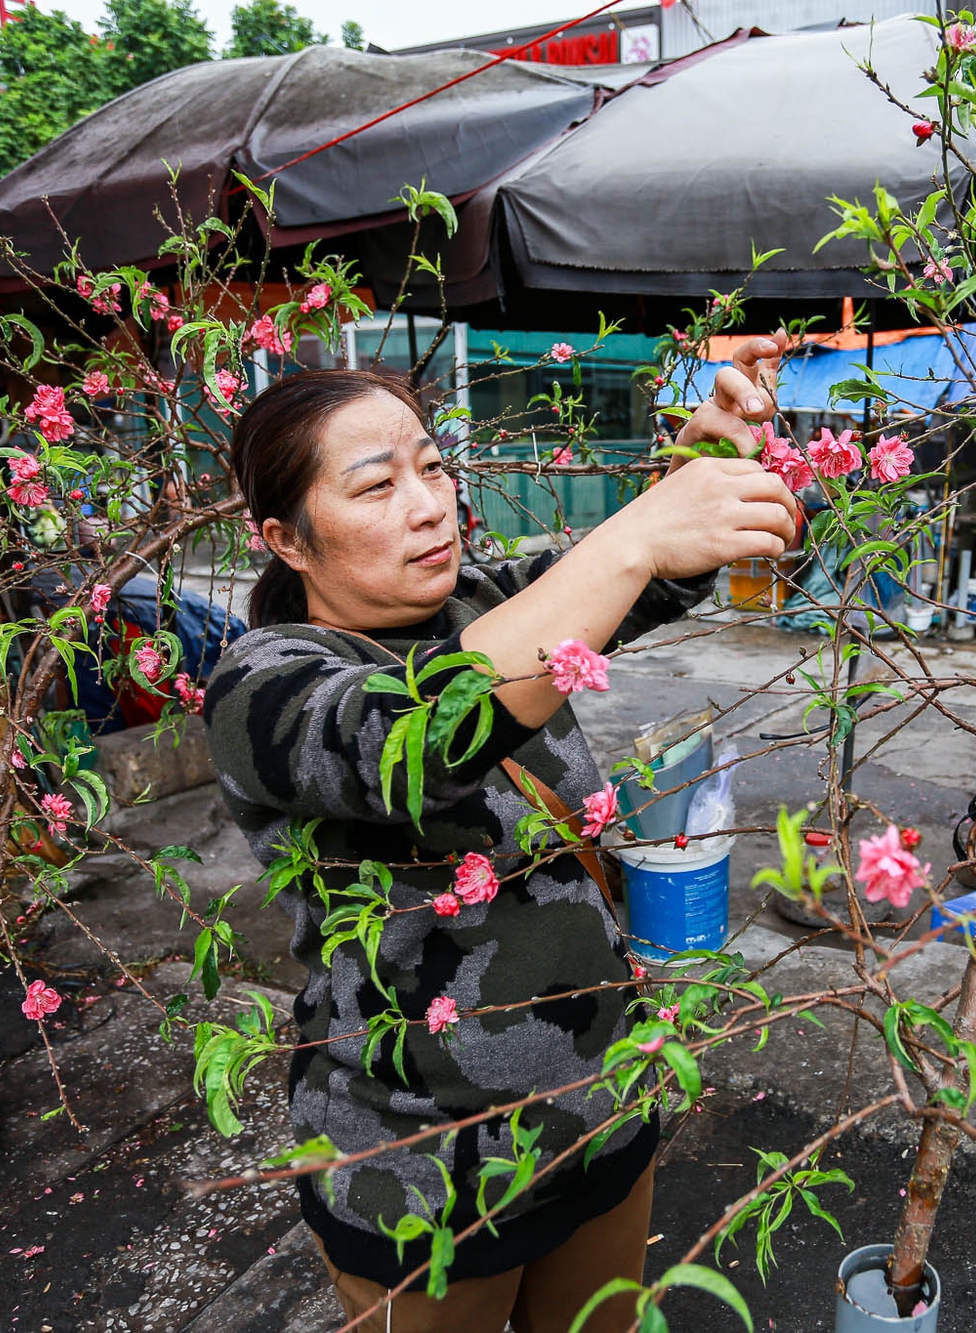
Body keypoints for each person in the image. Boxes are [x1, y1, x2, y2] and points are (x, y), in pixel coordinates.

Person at [203, 339, 796, 1333]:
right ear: (287, 540)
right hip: (420, 1169)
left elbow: (642, 574)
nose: (428, 502)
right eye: (376, 484)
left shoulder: (477, 604)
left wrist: (708, 463)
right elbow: (417, 732)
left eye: (432, 466)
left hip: (596, 1114)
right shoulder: (262, 687)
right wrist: (633, 538)